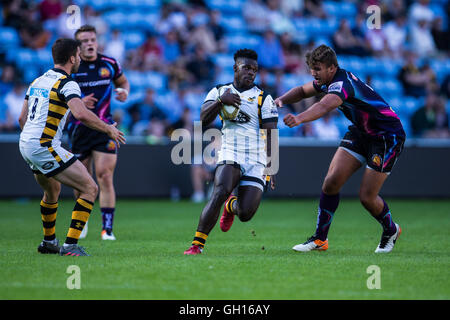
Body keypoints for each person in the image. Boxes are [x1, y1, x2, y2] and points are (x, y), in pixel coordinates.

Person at [275, 45, 405, 253]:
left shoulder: (342, 84)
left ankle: (391, 230)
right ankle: (320, 240)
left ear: (332, 68)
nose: (313, 73)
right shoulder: (325, 81)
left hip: (386, 137)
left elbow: (325, 106)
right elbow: (301, 91)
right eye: (311, 68)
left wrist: (299, 118)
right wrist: (280, 100)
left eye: (317, 69)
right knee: (331, 183)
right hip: (361, 133)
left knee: (367, 197)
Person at [18, 38, 126, 256]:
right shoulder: (68, 83)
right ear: (71, 58)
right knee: (90, 188)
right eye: (77, 54)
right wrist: (108, 129)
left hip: (26, 144)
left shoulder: (38, 81)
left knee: (52, 190)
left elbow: (22, 118)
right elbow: (80, 114)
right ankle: (70, 245)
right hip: (43, 145)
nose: (80, 59)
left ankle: (49, 242)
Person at [184, 49, 279, 255]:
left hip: (257, 158)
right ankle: (197, 245)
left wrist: (271, 166)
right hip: (230, 151)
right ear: (235, 68)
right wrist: (220, 102)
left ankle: (231, 207)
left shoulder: (264, 98)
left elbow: (271, 134)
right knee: (220, 191)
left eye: (254, 69)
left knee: (245, 214)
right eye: (246, 68)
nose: (251, 73)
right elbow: (201, 121)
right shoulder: (219, 91)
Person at [66, 25, 130, 241]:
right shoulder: (71, 67)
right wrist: (78, 103)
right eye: (84, 41)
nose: (89, 43)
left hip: (106, 128)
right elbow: (58, 95)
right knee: (82, 180)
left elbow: (122, 81)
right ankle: (81, 222)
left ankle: (107, 229)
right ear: (77, 45)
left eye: (92, 39)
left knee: (105, 176)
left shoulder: (109, 63)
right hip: (79, 129)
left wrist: (124, 92)